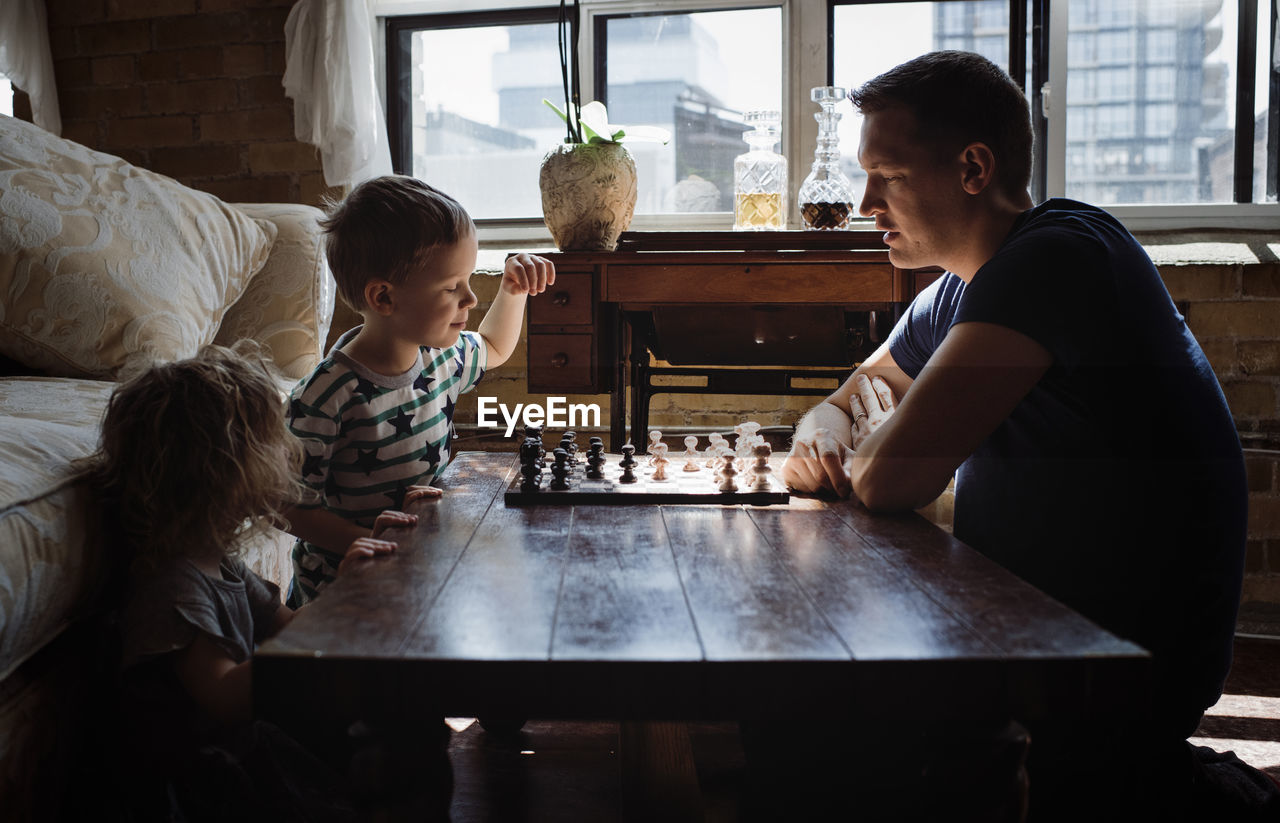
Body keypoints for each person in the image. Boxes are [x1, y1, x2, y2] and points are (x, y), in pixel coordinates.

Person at [778, 51, 1273, 820]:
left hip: (1114, 672)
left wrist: (870, 442)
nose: (866, 200)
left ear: (974, 167)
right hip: (1030, 632)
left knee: (807, 720)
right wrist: (831, 429)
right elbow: (842, 400)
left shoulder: (1056, 257)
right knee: (815, 708)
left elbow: (886, 479)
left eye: (889, 175)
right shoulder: (960, 289)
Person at [82, 343, 435, 822]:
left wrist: (341, 591)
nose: (289, 451)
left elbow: (287, 624)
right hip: (211, 786)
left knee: (409, 735)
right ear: (219, 471)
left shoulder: (217, 563)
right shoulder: (174, 585)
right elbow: (226, 696)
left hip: (247, 749)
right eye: (273, 441)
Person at [283, 175, 555, 606]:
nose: (470, 298)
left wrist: (513, 291)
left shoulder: (441, 357)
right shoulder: (323, 397)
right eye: (452, 287)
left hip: (419, 571)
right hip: (341, 593)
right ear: (384, 298)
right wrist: (366, 537)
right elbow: (287, 507)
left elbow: (494, 346)